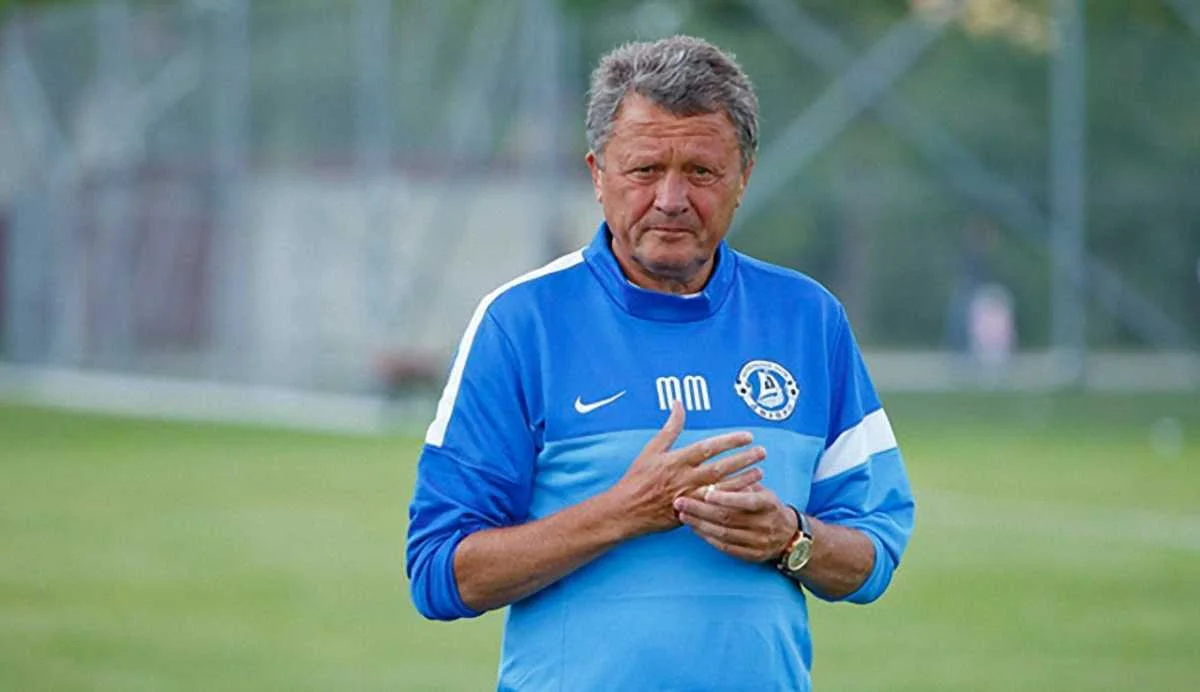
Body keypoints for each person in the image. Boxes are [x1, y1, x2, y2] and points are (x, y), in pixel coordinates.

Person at [406, 35, 915, 691]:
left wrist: (790, 538)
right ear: (598, 174)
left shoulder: (808, 319)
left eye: (701, 172)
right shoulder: (520, 323)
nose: (672, 199)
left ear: (743, 177)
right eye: (645, 170)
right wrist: (623, 511)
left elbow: (872, 554)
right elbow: (440, 573)